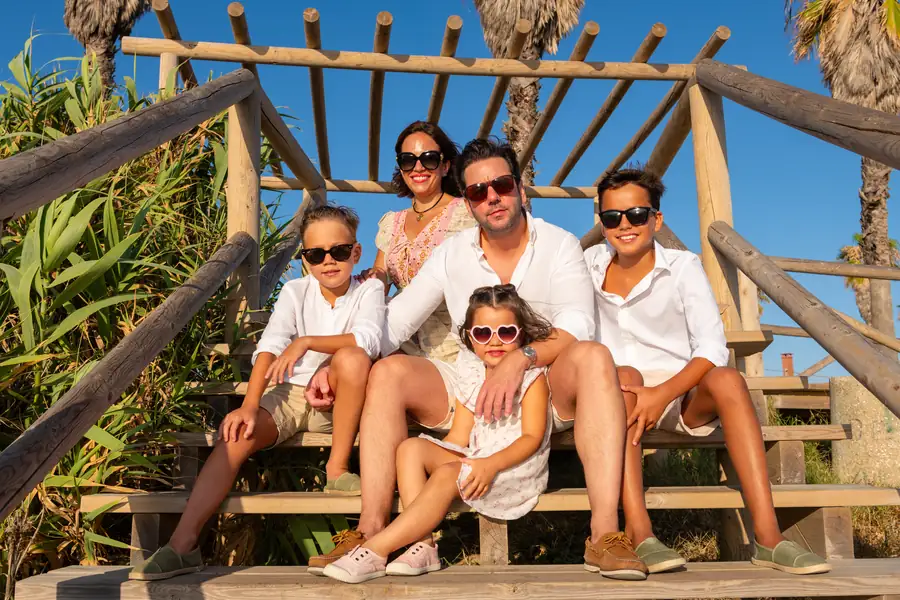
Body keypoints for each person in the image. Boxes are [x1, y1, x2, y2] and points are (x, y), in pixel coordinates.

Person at [307, 138, 647, 581]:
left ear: (520, 190)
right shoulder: (453, 253)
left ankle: (603, 534)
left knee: (594, 354)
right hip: (470, 383)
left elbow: (579, 322)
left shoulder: (559, 244)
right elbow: (394, 323)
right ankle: (372, 529)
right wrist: (337, 359)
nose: (492, 197)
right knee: (388, 370)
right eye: (477, 191)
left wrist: (521, 359)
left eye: (501, 185)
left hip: (543, 383)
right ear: (467, 202)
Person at [584, 167, 830, 576]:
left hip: (680, 395)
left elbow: (712, 347)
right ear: (602, 224)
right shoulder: (588, 265)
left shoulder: (682, 266)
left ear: (656, 220)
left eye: (637, 215)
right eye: (612, 218)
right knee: (622, 378)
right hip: (621, 392)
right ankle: (640, 532)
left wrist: (662, 394)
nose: (624, 225)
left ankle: (769, 538)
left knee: (729, 378)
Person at [129, 205, 385, 581]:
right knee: (235, 435)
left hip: (344, 400)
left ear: (356, 252)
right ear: (304, 260)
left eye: (339, 251)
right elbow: (272, 342)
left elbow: (370, 339)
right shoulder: (297, 291)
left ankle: (337, 467)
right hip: (290, 393)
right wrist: (249, 405)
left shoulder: (370, 289)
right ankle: (182, 546)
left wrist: (308, 343)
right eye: (316, 254)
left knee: (353, 358)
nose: (328, 261)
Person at [322, 285, 554, 583]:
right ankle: (424, 544)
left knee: (447, 475)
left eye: (506, 332)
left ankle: (376, 549)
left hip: (513, 468)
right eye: (483, 333)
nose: (494, 341)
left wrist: (486, 465)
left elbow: (532, 438)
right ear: (470, 338)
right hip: (479, 458)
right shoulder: (472, 373)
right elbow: (459, 436)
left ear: (520, 335)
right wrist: (438, 459)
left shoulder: (532, 378)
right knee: (410, 449)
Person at [364, 120, 476, 364]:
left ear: (445, 166)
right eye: (408, 160)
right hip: (398, 340)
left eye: (429, 159)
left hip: (453, 345)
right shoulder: (391, 223)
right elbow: (381, 278)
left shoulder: (467, 213)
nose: (418, 167)